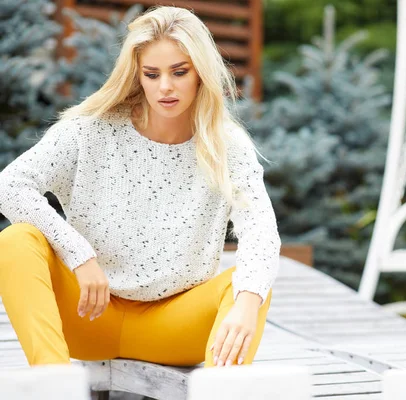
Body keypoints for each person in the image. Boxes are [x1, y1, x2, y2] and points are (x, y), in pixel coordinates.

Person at [0, 6, 280, 369]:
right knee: (16, 240)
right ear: (138, 76)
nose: (165, 86)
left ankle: (221, 389)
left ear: (201, 74)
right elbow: (9, 186)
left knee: (251, 288)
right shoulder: (90, 131)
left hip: (174, 327)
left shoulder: (227, 146)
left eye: (179, 72)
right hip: (88, 315)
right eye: (152, 74)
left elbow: (261, 232)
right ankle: (54, 386)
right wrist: (79, 255)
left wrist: (246, 305)